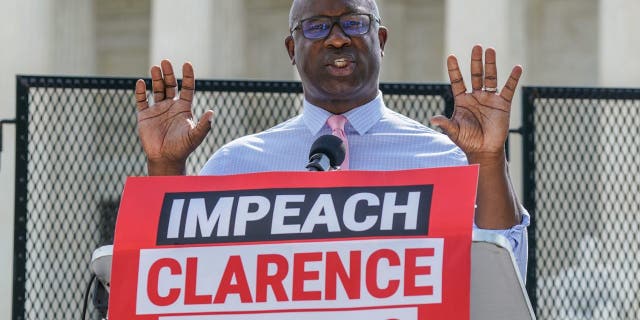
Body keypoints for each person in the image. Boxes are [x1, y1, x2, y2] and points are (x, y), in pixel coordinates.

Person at [134, 0, 529, 277]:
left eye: (354, 23)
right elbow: (174, 277)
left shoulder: (443, 160)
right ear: (292, 48)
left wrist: (490, 159)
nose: (337, 39)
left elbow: (505, 265)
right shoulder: (234, 166)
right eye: (316, 27)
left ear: (382, 41)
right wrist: (166, 168)